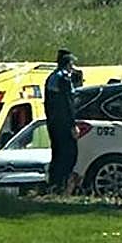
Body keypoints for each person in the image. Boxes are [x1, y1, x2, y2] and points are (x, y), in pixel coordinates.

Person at [44, 49, 79, 193]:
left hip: (53, 123)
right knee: (68, 155)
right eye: (71, 63)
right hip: (63, 124)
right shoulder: (63, 79)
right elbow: (68, 104)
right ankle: (62, 186)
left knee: (57, 154)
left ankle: (54, 185)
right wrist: (72, 125)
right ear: (67, 63)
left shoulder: (51, 77)